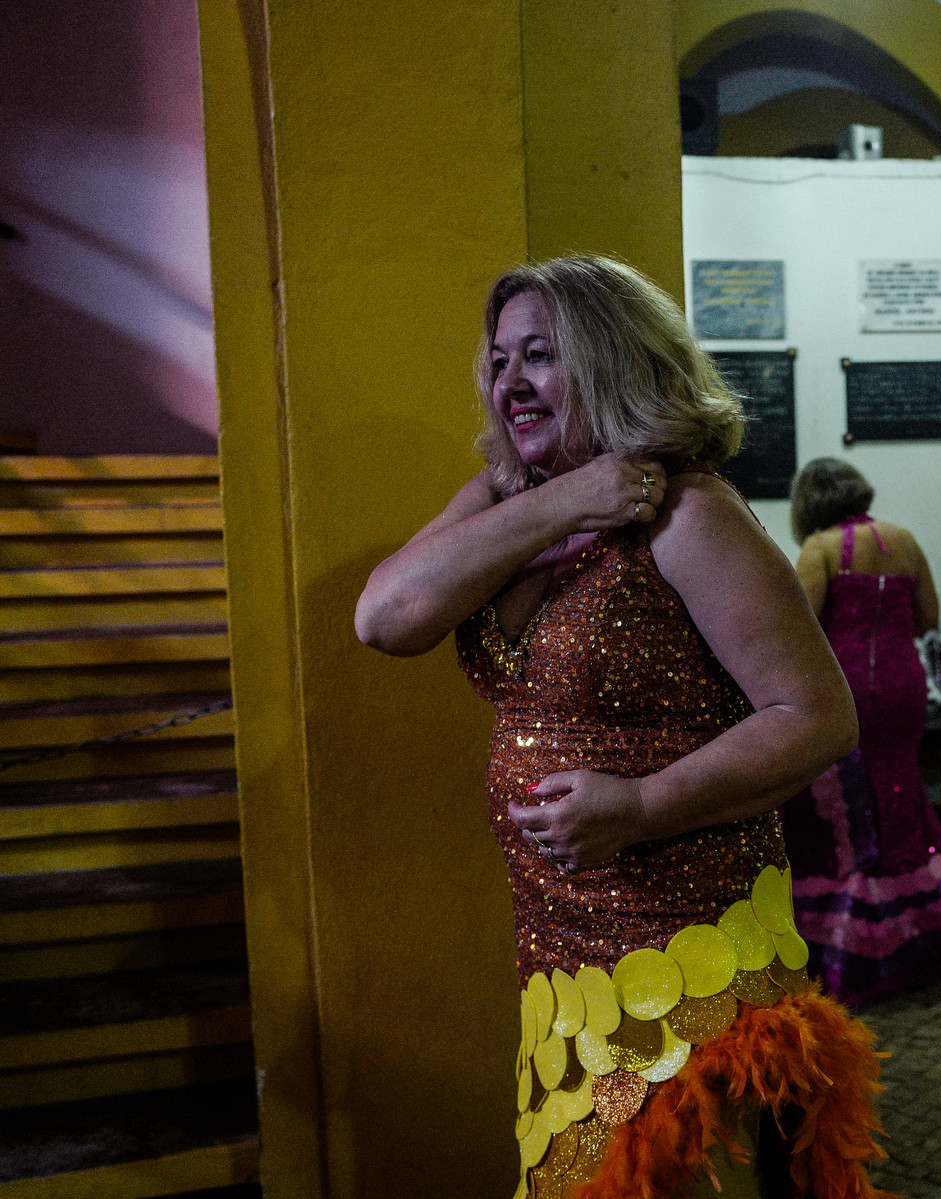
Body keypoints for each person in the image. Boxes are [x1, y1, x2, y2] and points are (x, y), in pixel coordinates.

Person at [354, 257, 893, 1199]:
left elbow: (817, 717)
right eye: (497, 360)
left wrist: (642, 803)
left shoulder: (687, 510)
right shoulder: (506, 500)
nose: (508, 380)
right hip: (561, 971)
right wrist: (564, 497)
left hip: (692, 969)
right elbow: (385, 618)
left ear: (607, 363)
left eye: (540, 355)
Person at [780, 458, 941, 1008]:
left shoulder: (817, 551)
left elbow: (794, 627)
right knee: (898, 796)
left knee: (842, 812)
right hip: (902, 685)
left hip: (843, 692)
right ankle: (936, 924)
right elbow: (929, 618)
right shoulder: (903, 540)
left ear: (809, 503)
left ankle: (856, 936)